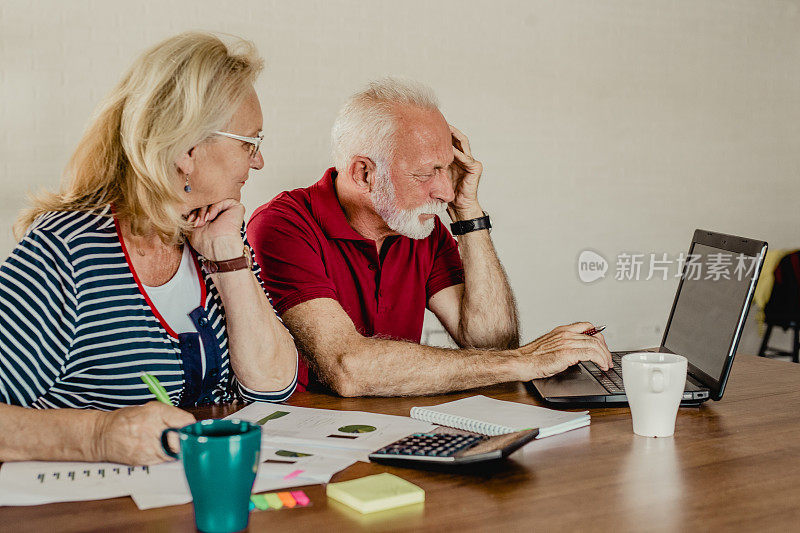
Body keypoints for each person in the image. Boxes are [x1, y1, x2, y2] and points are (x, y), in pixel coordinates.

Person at [0, 32, 297, 465]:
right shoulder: (66, 253)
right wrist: (100, 435)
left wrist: (228, 256)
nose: (258, 161)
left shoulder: (213, 234)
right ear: (188, 150)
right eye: (249, 143)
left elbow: (273, 387)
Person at [247, 77, 611, 397]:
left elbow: (491, 342)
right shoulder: (283, 225)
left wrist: (468, 214)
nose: (445, 192)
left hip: (399, 423)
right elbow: (349, 369)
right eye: (426, 173)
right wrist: (525, 361)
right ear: (364, 174)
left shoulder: (420, 228)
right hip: (313, 438)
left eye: (446, 169)